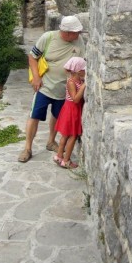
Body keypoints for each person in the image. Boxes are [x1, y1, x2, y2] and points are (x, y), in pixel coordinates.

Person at [18, 16, 85, 162]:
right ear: (66, 32)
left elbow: (82, 63)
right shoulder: (48, 38)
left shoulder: (79, 41)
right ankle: (27, 148)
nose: (79, 34)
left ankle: (51, 141)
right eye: (76, 32)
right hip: (44, 87)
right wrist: (36, 77)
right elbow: (32, 57)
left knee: (57, 116)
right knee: (34, 115)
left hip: (64, 90)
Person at [53, 57, 86, 169]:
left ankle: (59, 156)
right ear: (78, 71)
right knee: (72, 136)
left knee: (65, 135)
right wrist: (83, 87)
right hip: (72, 110)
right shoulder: (71, 82)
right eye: (84, 69)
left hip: (71, 109)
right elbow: (75, 99)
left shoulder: (79, 80)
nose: (85, 71)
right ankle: (66, 160)